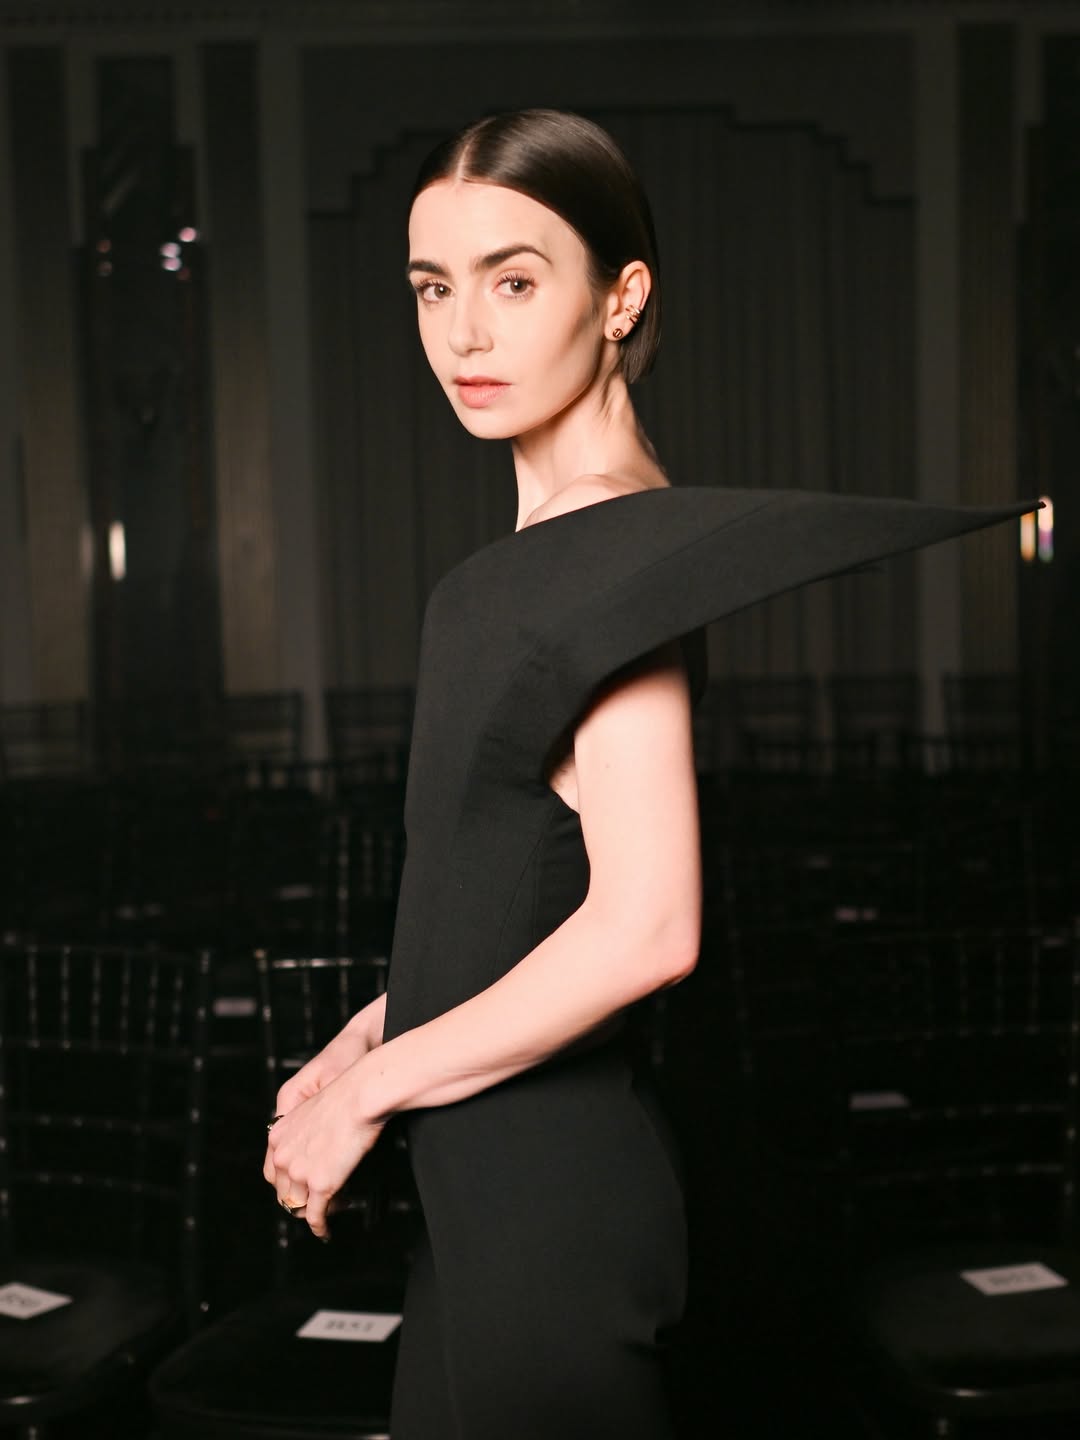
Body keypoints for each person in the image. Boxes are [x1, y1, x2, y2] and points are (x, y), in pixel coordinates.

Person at [263, 108, 1028, 1438]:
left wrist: (371, 1096)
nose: (465, 333)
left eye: (514, 281)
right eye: (434, 288)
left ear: (620, 298)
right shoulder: (562, 554)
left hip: (546, 1207)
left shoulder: (612, 554)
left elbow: (648, 926)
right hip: (486, 1184)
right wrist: (369, 1038)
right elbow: (512, 895)